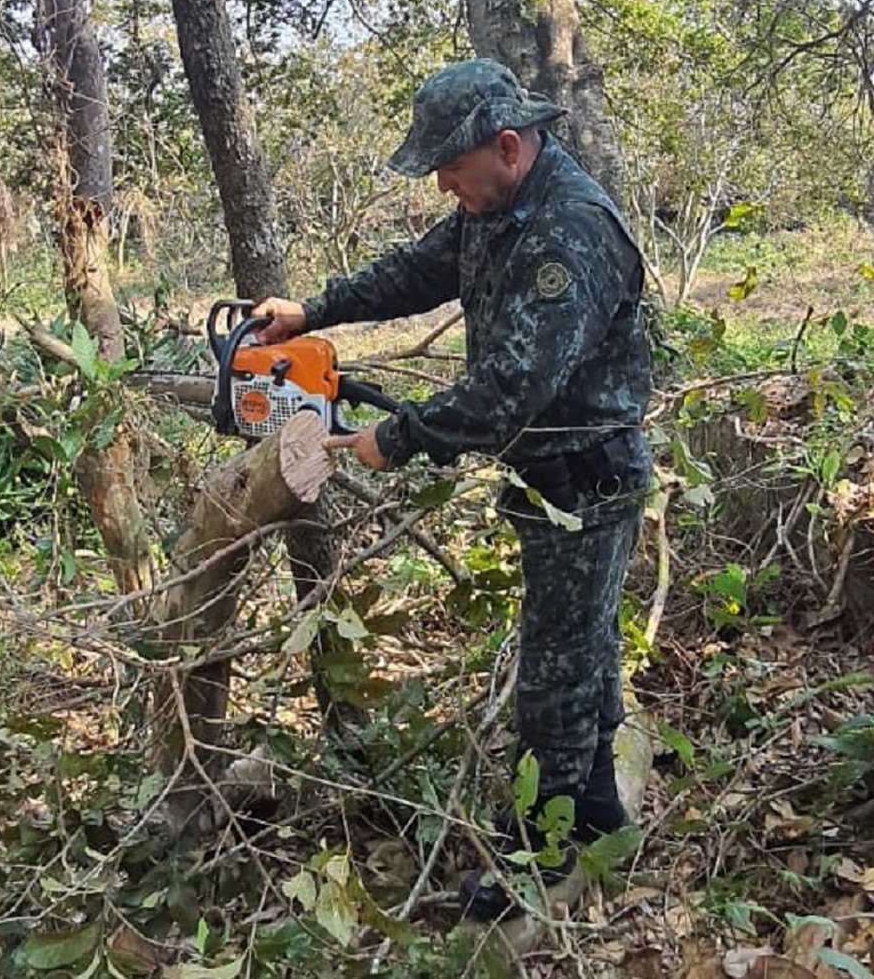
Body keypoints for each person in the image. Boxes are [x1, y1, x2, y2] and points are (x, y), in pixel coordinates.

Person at [252, 58, 652, 921]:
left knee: (553, 676)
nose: (444, 188)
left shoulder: (569, 233)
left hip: (586, 478)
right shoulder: (495, 207)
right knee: (580, 652)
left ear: (507, 148)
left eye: (450, 171)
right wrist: (311, 313)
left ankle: (535, 864)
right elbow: (416, 270)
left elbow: (513, 388)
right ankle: (596, 817)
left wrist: (392, 440)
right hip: (550, 475)